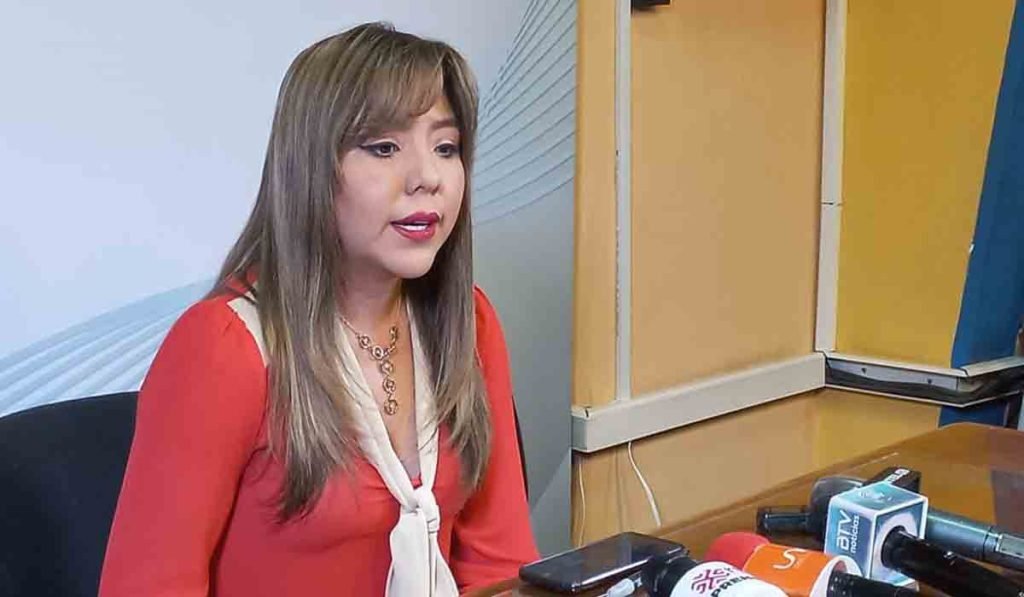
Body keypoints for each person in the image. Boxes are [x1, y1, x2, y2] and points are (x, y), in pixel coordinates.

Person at [99, 22, 538, 597]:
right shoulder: (222, 347)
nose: (428, 178)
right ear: (311, 168)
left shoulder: (470, 323)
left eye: (446, 147)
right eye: (384, 148)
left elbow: (499, 567)